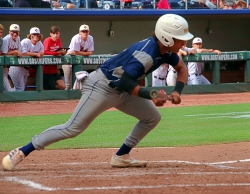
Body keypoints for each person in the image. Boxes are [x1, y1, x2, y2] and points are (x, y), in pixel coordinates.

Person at [1, 13, 193, 170]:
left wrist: (177, 91)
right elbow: (126, 82)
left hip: (124, 89)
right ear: (166, 37)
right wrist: (152, 95)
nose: (183, 44)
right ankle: (23, 151)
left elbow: (182, 69)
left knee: (152, 117)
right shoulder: (146, 54)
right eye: (180, 40)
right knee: (73, 128)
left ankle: (121, 156)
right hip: (102, 86)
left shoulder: (167, 51)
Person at [9, 27, 44, 91]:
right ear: (31, 35)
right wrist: (36, 54)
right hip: (17, 67)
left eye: (37, 34)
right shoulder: (25, 41)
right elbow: (23, 53)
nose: (36, 36)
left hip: (26, 69)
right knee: (20, 88)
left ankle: (11, 98)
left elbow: (42, 52)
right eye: (34, 34)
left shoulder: (39, 43)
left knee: (21, 88)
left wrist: (40, 54)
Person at [62, 24, 94, 90]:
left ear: (89, 32)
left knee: (77, 83)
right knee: (68, 85)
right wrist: (85, 53)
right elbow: (75, 52)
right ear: (79, 32)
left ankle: (74, 99)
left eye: (86, 31)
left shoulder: (90, 38)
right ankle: (66, 99)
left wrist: (79, 53)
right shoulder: (76, 38)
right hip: (68, 60)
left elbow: (90, 52)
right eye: (83, 31)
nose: (85, 33)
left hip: (77, 61)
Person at [43, 26, 66, 90]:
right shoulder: (47, 40)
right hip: (46, 70)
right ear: (51, 34)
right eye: (54, 33)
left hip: (54, 70)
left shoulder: (58, 40)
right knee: (49, 88)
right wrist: (57, 53)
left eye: (57, 33)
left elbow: (60, 50)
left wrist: (62, 52)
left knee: (63, 86)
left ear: (59, 33)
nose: (55, 35)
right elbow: (45, 52)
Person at [2, 24, 23, 91]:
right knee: (9, 90)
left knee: (13, 89)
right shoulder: (6, 39)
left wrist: (16, 52)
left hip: (8, 66)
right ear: (9, 32)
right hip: (3, 65)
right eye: (12, 32)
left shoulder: (18, 38)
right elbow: (4, 53)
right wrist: (15, 52)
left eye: (16, 32)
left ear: (19, 33)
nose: (14, 34)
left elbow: (19, 52)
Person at [0, 24, 16, 92]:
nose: (0, 34)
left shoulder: (2, 40)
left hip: (3, 66)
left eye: (1, 32)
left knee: (9, 90)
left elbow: (3, 53)